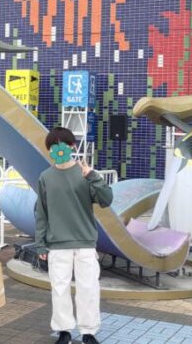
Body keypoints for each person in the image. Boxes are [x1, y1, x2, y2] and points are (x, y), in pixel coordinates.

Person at [35, 127, 113, 344]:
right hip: (57, 244)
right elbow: (41, 212)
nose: (58, 149)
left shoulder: (85, 174)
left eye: (63, 145)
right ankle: (64, 331)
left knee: (88, 289)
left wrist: (93, 177)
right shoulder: (45, 177)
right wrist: (40, 243)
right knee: (59, 290)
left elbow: (106, 200)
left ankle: (89, 332)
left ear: (72, 147)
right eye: (53, 146)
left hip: (85, 242)